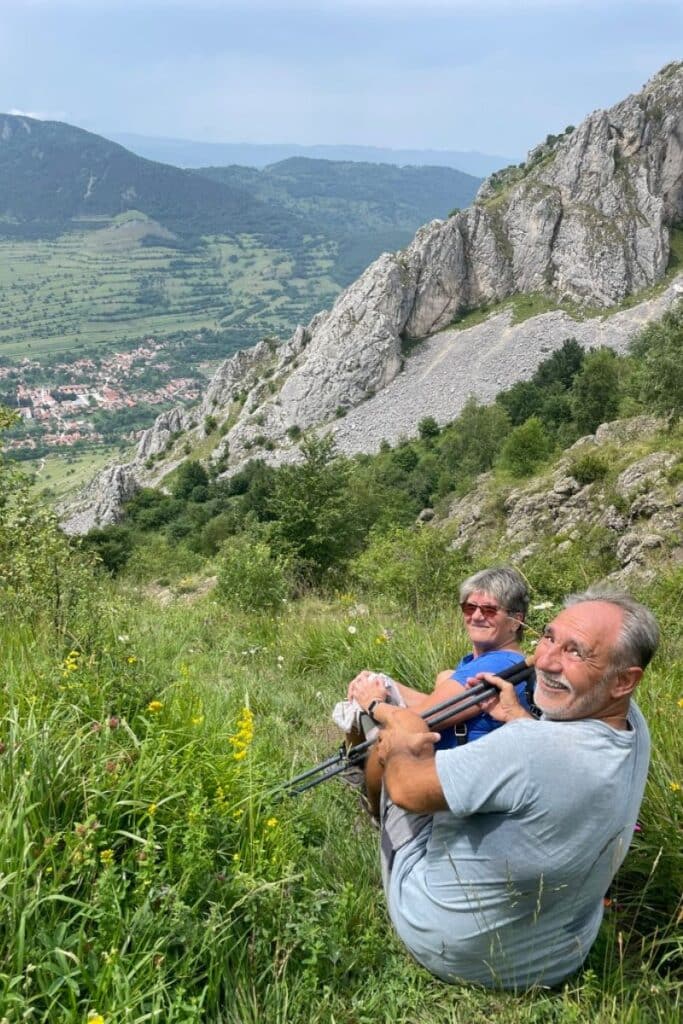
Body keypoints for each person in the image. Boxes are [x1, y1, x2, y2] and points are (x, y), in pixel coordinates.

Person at [370, 588, 658, 990]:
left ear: (623, 680)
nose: (544, 660)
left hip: (453, 949)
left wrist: (390, 719)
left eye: (575, 652)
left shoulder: (528, 750)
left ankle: (371, 816)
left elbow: (408, 789)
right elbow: (547, 760)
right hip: (557, 957)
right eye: (549, 637)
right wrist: (519, 718)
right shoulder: (634, 726)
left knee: (388, 762)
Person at [346, 566, 534, 814]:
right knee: (441, 677)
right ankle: (360, 780)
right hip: (450, 772)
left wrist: (373, 702)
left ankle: (372, 809)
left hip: (449, 785)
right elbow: (448, 705)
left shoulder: (498, 664)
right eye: (469, 607)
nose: (477, 616)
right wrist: (382, 682)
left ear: (515, 621)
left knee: (384, 734)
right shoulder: (483, 660)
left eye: (489, 610)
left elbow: (421, 720)